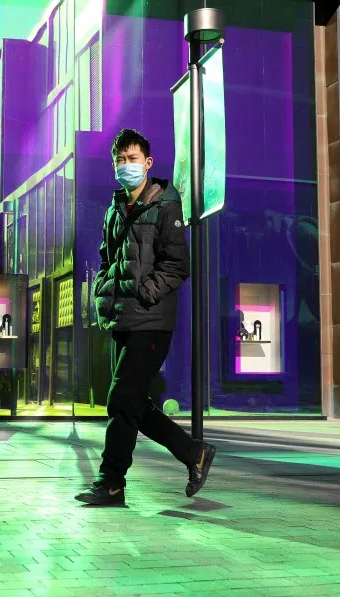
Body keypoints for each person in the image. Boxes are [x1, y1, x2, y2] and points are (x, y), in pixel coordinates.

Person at [75, 128, 216, 506]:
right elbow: (107, 259)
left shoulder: (165, 205)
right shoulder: (114, 207)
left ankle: (112, 483)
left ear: (148, 163)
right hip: (121, 317)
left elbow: (177, 265)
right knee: (133, 402)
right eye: (120, 160)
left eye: (132, 159)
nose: (126, 166)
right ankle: (194, 453)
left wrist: (144, 291)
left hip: (151, 320)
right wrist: (106, 290)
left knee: (121, 400)